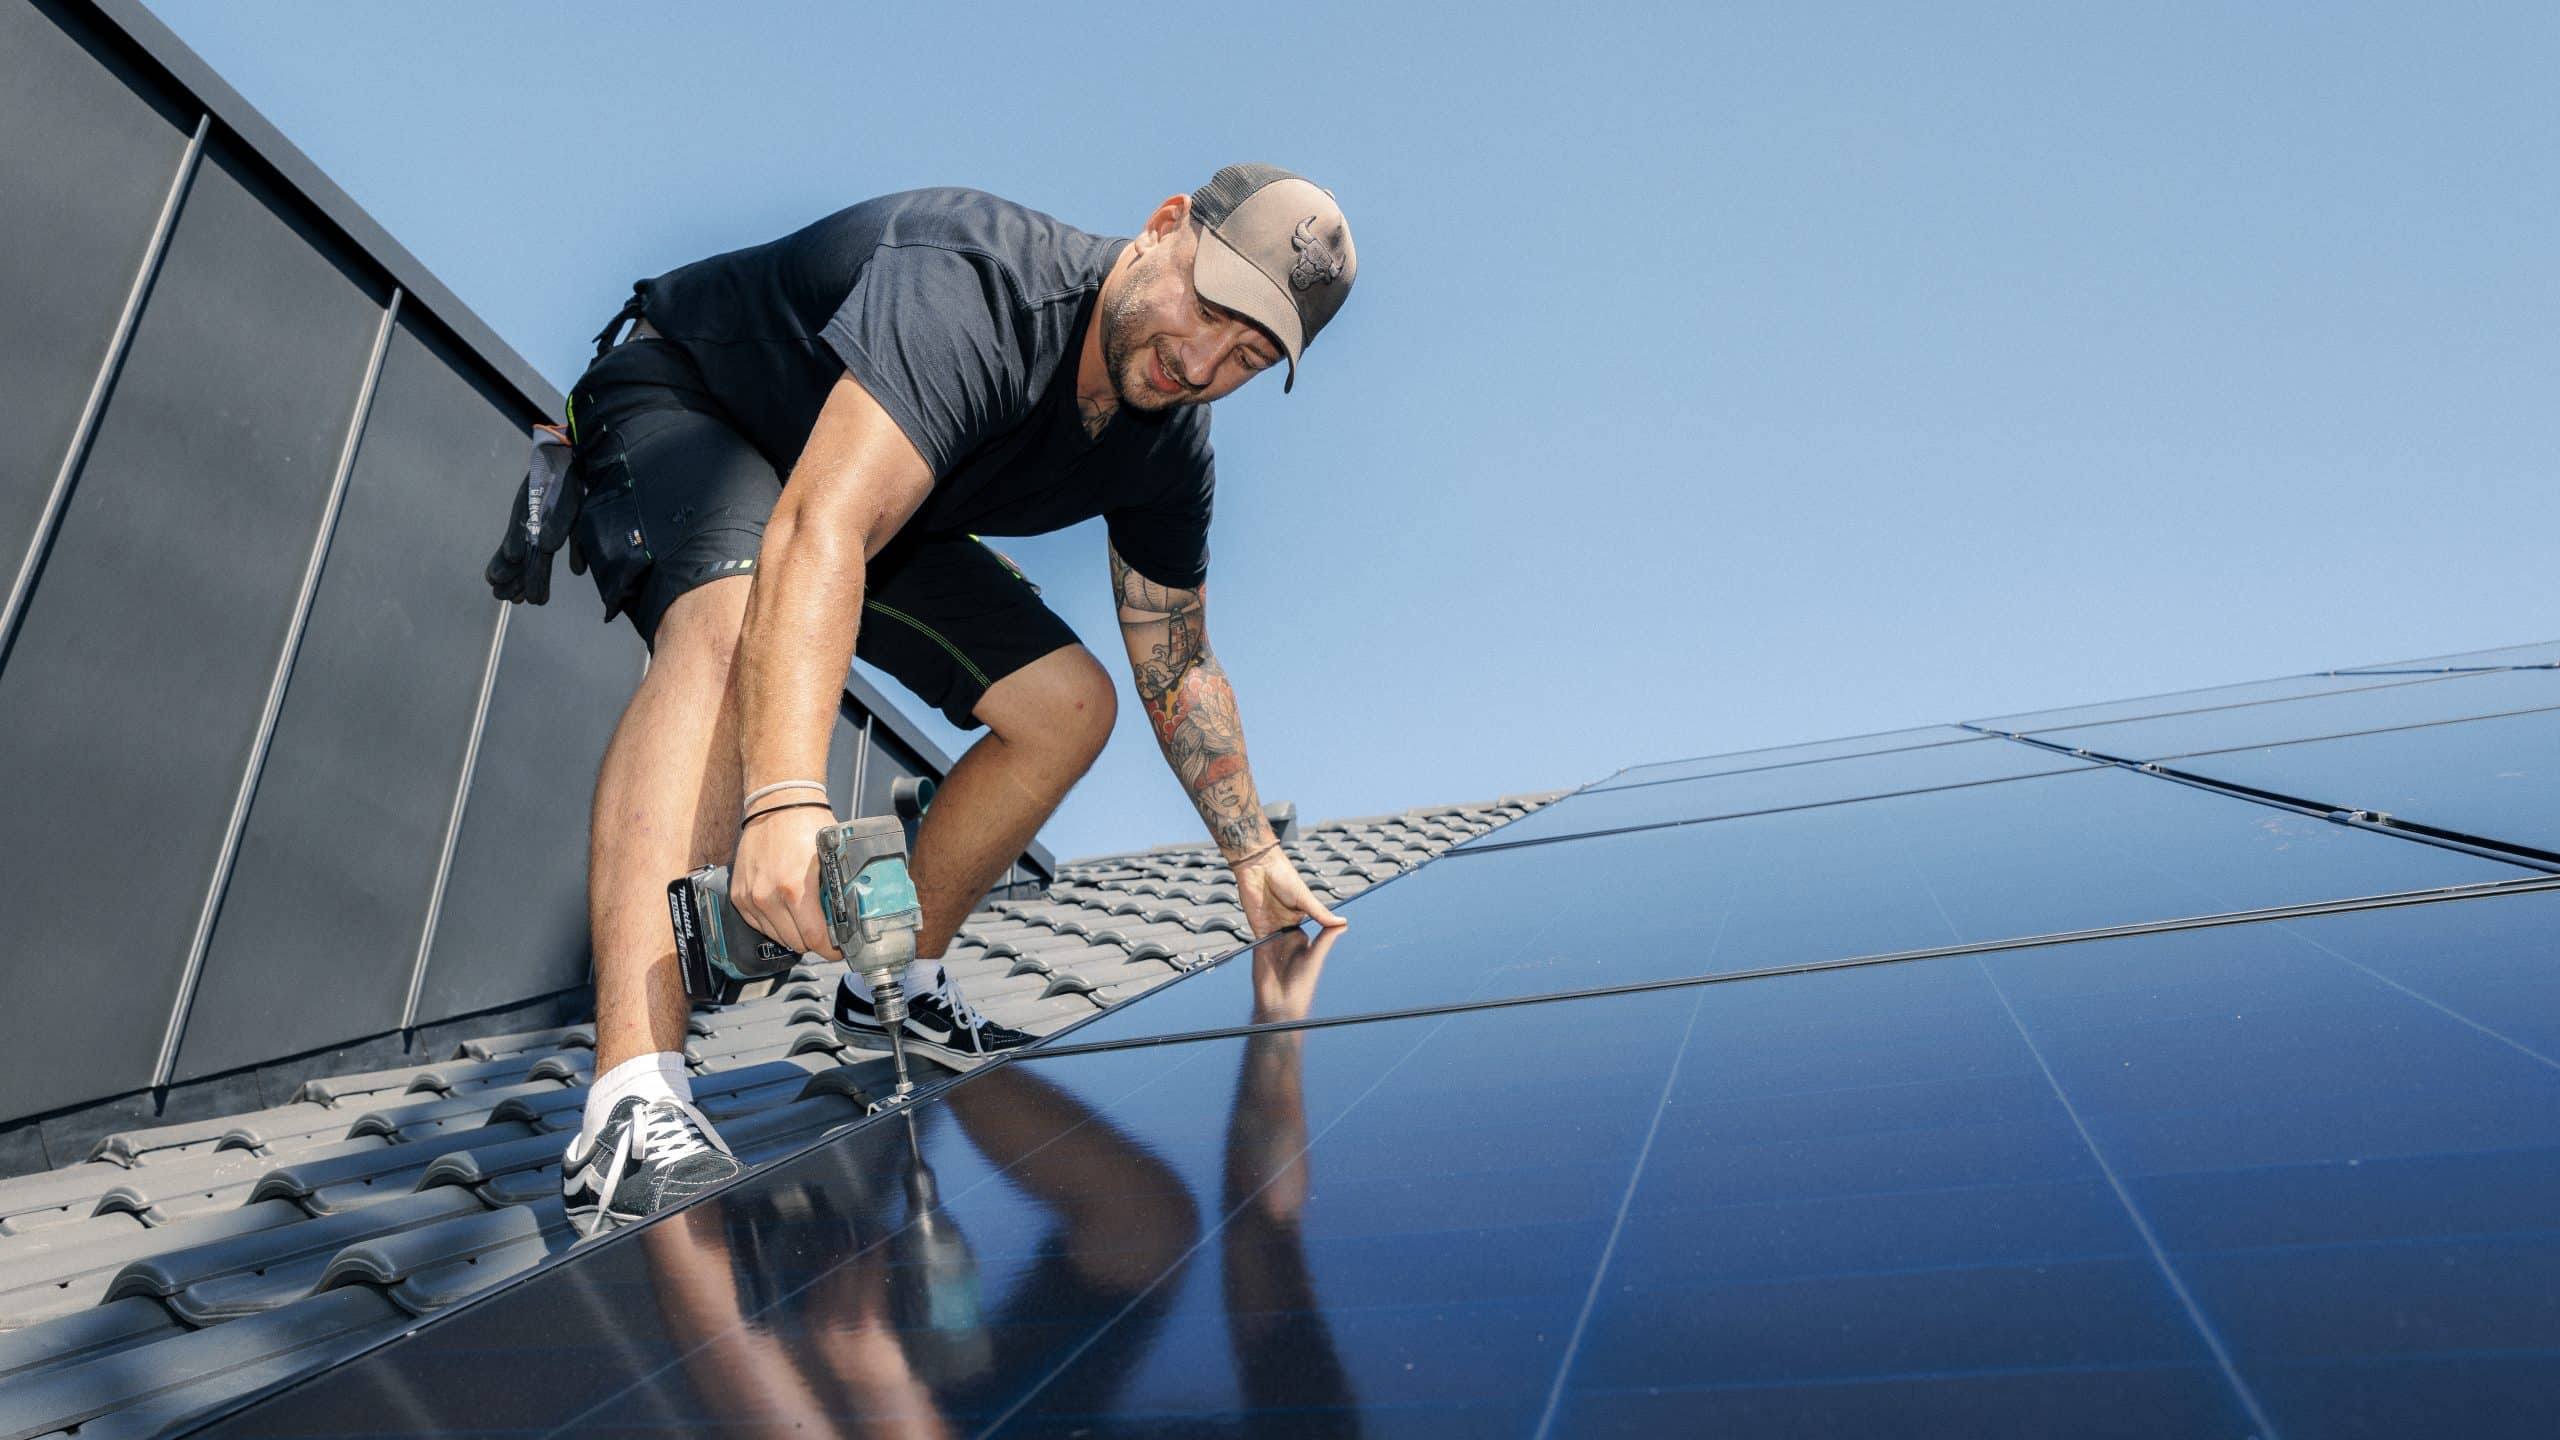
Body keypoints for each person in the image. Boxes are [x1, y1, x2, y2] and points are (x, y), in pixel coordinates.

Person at [488, 165, 1359, 1235]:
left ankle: (892, 986)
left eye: (1250, 355)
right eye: (1212, 307)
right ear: (1163, 225)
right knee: (730, 616)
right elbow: (819, 531)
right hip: (693, 405)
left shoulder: (1167, 447)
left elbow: (1174, 659)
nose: (1203, 359)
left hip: (868, 502)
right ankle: (631, 1100)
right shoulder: (980, 285)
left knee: (1069, 706)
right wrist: (783, 802)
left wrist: (1250, 856)